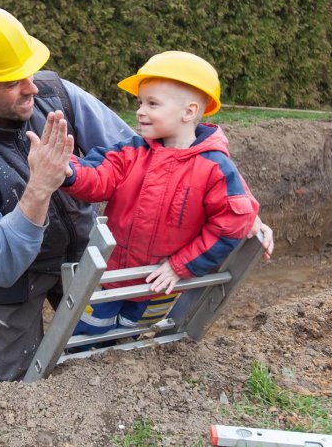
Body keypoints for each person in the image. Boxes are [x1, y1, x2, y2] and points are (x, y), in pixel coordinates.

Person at [0, 2, 273, 381]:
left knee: (105, 356)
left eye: (29, 72)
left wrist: (241, 211)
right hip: (16, 273)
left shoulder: (55, 93)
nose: (31, 88)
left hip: (88, 251)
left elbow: (148, 156)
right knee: (19, 382)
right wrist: (38, 190)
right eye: (10, 83)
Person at [59, 51, 260, 335]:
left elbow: (231, 223)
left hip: (160, 283)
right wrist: (69, 171)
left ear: (189, 112)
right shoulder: (131, 150)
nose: (140, 111)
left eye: (152, 103)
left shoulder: (214, 167)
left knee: (133, 337)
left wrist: (181, 266)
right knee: (86, 334)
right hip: (111, 276)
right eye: (140, 102)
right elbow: (99, 175)